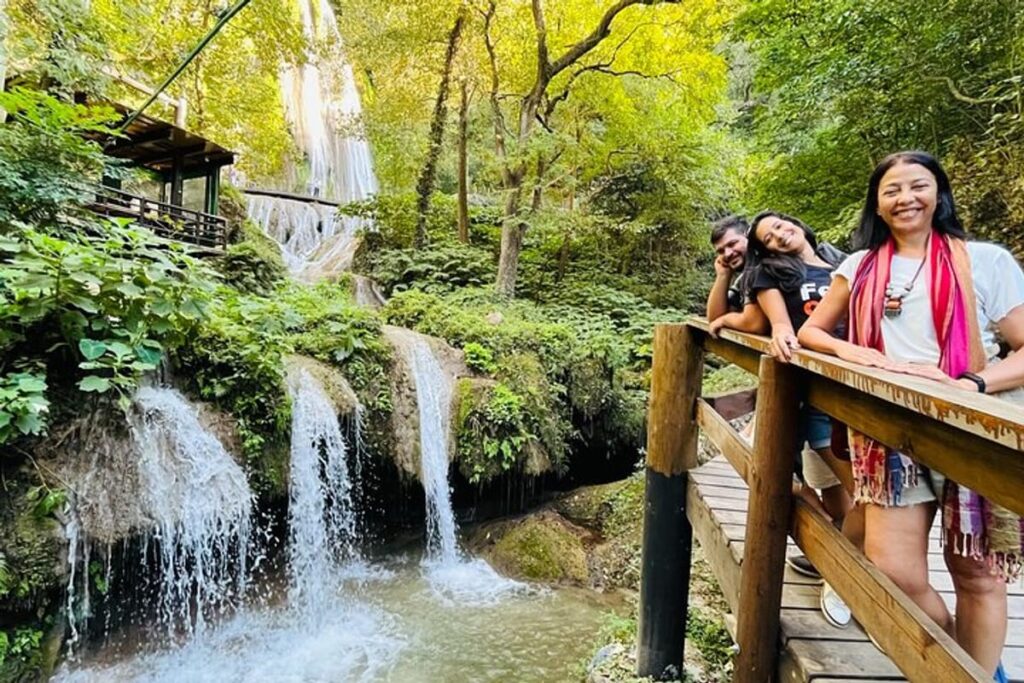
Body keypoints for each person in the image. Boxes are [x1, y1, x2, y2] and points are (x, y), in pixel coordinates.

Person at [798, 150, 1024, 681]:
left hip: (973, 427)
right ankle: (967, 669)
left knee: (977, 574)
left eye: (917, 186)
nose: (906, 198)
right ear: (877, 203)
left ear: (938, 194)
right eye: (892, 190)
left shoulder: (984, 260)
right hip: (888, 429)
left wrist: (970, 382)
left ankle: (970, 670)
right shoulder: (858, 267)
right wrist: (857, 353)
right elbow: (813, 332)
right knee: (892, 567)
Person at [740, 210, 862, 627]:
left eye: (780, 225)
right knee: (864, 493)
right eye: (768, 237)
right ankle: (843, 571)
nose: (778, 234)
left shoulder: (845, 263)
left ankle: (843, 557)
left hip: (869, 387)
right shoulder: (770, 273)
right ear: (765, 249)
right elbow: (779, 327)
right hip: (820, 394)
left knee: (857, 495)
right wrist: (780, 333)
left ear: (799, 224)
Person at [706, 215, 767, 334]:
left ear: (749, 237)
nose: (727, 254)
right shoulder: (743, 279)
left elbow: (754, 324)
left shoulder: (764, 267)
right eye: (721, 251)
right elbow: (714, 318)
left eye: (732, 244)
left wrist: (724, 320)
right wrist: (723, 276)